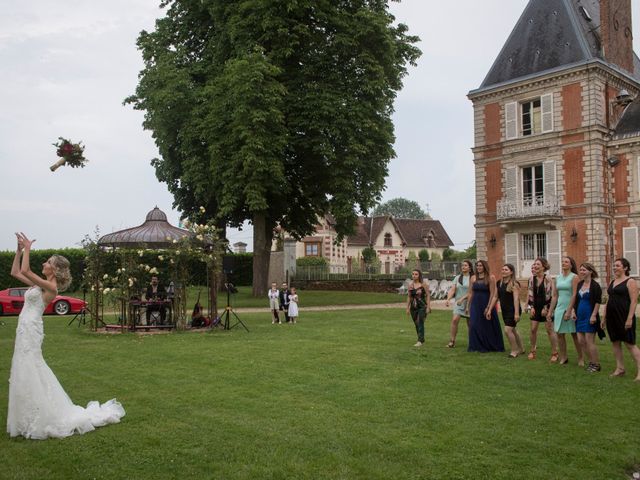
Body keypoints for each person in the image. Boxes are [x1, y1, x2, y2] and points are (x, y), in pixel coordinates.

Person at [7, 232, 125, 439]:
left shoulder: (50, 287)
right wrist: (19, 250)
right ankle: (28, 414)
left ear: (54, 269)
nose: (44, 263)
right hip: (24, 327)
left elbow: (25, 269)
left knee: (31, 364)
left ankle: (42, 414)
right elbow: (16, 271)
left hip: (32, 329)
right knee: (23, 365)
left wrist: (27, 248)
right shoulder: (38, 284)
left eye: (48, 262)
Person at [602, 258, 640, 381]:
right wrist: (604, 317)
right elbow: (609, 300)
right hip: (612, 317)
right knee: (615, 342)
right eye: (614, 265)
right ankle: (620, 368)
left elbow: (634, 301)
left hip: (624, 316)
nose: (614, 267)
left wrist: (629, 319)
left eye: (617, 265)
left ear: (625, 268)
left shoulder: (630, 281)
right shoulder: (613, 281)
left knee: (630, 344)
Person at [548, 256, 582, 365]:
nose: (564, 263)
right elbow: (554, 296)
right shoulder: (557, 278)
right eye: (562, 262)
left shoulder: (574, 277)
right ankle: (564, 357)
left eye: (566, 262)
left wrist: (569, 310)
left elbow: (574, 294)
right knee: (559, 334)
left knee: (574, 334)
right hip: (559, 308)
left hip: (570, 308)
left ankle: (581, 358)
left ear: (571, 265)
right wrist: (550, 311)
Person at [467, 260, 504, 353]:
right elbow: (471, 292)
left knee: (487, 325)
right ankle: (476, 346)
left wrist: (488, 307)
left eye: (480, 266)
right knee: (474, 325)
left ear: (485, 267)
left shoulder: (491, 277)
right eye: (477, 266)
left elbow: (492, 293)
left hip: (486, 302)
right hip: (475, 304)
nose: (478, 267)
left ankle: (488, 345)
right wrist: (468, 306)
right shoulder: (473, 278)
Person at [571, 263, 603, 372]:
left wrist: (594, 315)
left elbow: (598, 302)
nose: (582, 272)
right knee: (581, 340)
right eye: (580, 270)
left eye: (584, 270)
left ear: (590, 271)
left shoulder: (595, 286)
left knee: (590, 341)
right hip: (580, 315)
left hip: (590, 315)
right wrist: (574, 311)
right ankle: (591, 362)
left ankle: (596, 364)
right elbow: (576, 300)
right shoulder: (580, 284)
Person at [527, 258, 559, 361]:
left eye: (538, 264)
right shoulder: (531, 279)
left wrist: (547, 308)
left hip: (547, 307)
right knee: (533, 330)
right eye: (534, 264)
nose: (535, 266)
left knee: (549, 330)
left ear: (543, 267)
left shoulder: (548, 279)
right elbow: (530, 294)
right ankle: (532, 351)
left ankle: (555, 353)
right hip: (535, 308)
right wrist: (531, 307)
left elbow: (551, 295)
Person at [489, 263, 524, 357]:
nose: (503, 271)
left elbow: (516, 299)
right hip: (505, 310)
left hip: (513, 310)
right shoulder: (499, 283)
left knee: (507, 330)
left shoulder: (514, 283)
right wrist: (489, 309)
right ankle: (521, 348)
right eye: (503, 269)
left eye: (506, 270)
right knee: (513, 330)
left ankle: (514, 351)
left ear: (511, 272)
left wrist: (516, 313)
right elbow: (495, 296)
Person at [445, 260, 473, 348]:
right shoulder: (457, 278)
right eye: (462, 265)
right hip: (459, 302)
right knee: (454, 320)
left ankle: (472, 342)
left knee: (470, 323)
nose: (463, 267)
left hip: (470, 302)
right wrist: (448, 299)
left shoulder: (473, 278)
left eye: (465, 265)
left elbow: (472, 292)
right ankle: (452, 341)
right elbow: (453, 289)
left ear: (470, 268)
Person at [406, 269, 431, 347]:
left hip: (422, 306)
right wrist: (407, 307)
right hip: (413, 307)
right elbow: (409, 297)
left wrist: (428, 307)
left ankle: (419, 341)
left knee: (420, 322)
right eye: (413, 274)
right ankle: (421, 339)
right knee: (416, 323)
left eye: (416, 274)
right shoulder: (410, 285)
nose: (414, 275)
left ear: (419, 275)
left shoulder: (423, 285)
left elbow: (428, 295)